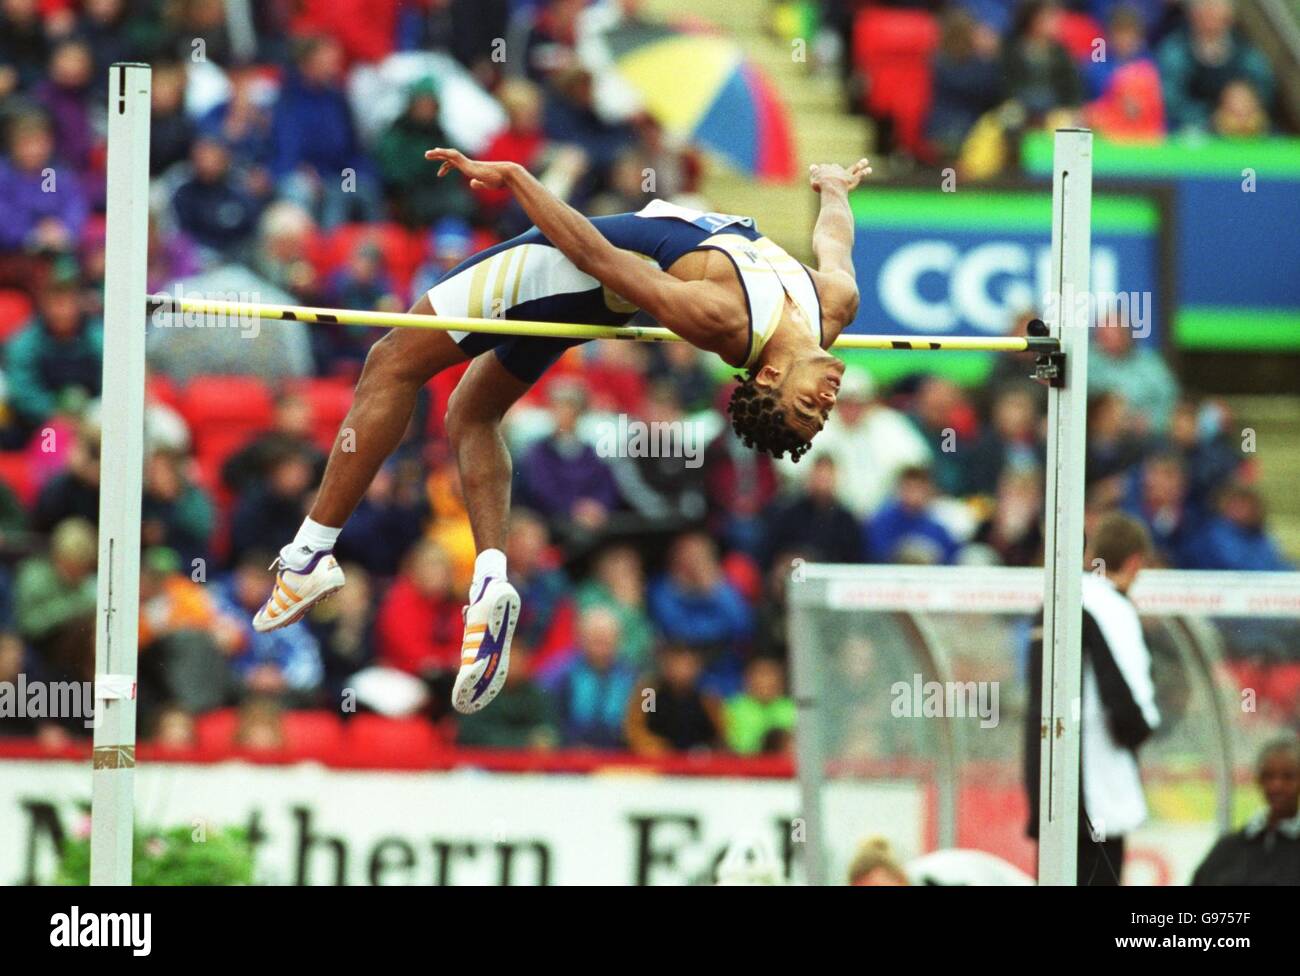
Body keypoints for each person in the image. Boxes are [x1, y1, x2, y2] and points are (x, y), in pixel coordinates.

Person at [254, 149, 870, 717]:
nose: (826, 402)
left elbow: (599, 257)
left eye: (806, 408)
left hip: (568, 265)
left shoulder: (720, 318)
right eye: (820, 410)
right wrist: (834, 189)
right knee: (472, 413)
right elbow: (834, 243)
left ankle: (308, 555)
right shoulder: (834, 307)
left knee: (390, 361)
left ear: (768, 373)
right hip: (591, 290)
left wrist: (521, 180)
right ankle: (491, 577)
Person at [1024, 512, 1161, 885]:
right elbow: (1131, 711)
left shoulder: (1055, 603)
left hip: (1050, 786)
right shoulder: (1114, 611)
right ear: (1135, 562)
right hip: (1099, 790)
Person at [1192, 737, 1300, 885]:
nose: (1277, 786)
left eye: (1288, 777)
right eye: (1268, 776)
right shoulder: (1229, 848)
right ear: (1259, 780)